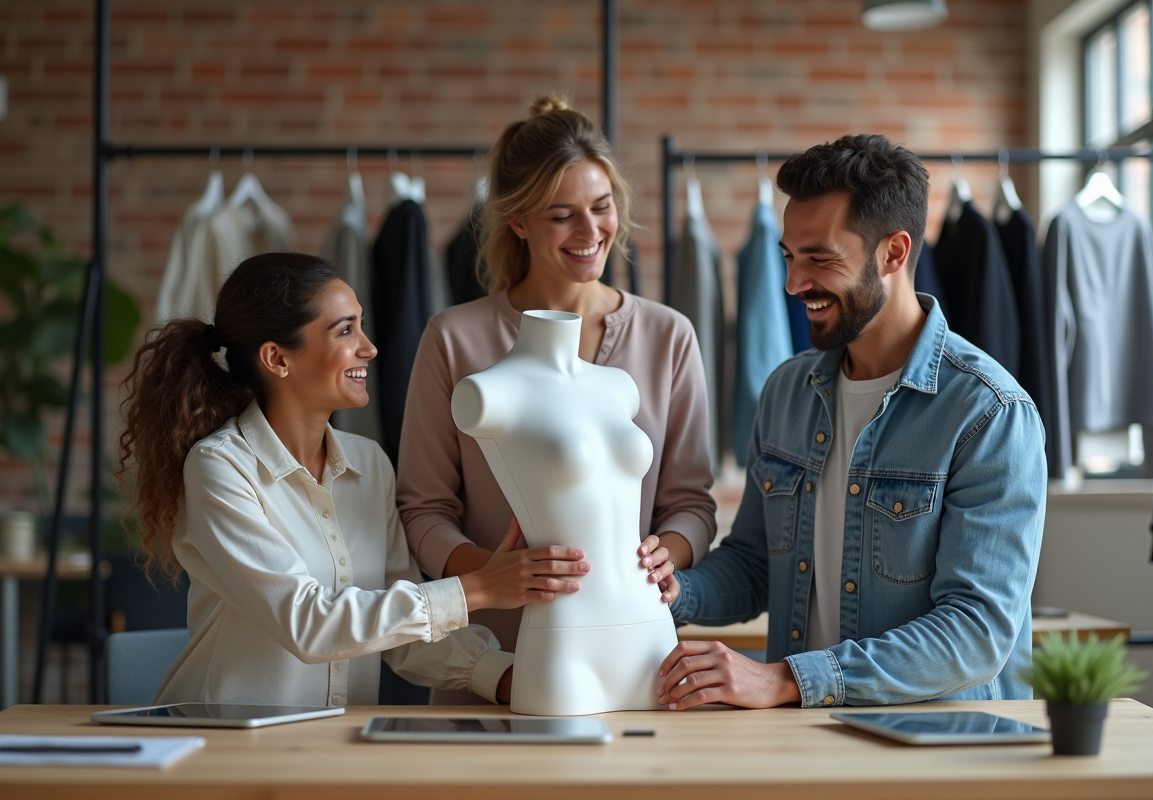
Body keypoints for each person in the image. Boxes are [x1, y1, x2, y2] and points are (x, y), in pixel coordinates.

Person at [657, 134, 1046, 710]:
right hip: (809, 739)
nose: (794, 284)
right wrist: (672, 591)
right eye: (790, 257)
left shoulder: (989, 412)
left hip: (944, 749)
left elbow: (976, 633)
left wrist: (789, 679)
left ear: (893, 253)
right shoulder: (787, 390)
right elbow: (757, 563)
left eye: (819, 258)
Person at [118, 252, 592, 707]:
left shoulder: (371, 465)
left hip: (332, 751)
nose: (369, 347)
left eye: (361, 325)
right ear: (278, 359)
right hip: (224, 753)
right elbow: (308, 623)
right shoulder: (220, 467)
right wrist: (480, 588)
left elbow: (405, 640)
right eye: (346, 330)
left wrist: (511, 677)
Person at [398, 96, 717, 702]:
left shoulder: (668, 335)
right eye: (561, 215)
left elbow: (692, 505)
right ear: (518, 221)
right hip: (491, 663)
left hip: (636, 659)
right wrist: (494, 579)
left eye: (602, 208)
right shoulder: (455, 338)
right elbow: (423, 510)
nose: (591, 232)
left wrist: (666, 555)